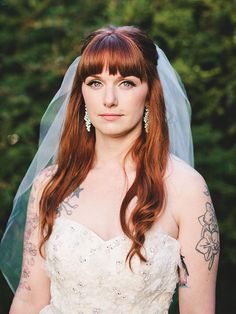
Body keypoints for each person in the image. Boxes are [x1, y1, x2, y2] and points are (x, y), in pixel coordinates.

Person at [1, 25, 219, 313]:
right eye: (95, 82)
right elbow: (29, 298)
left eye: (126, 82)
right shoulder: (51, 184)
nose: (109, 99)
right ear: (82, 92)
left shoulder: (186, 189)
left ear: (149, 91)